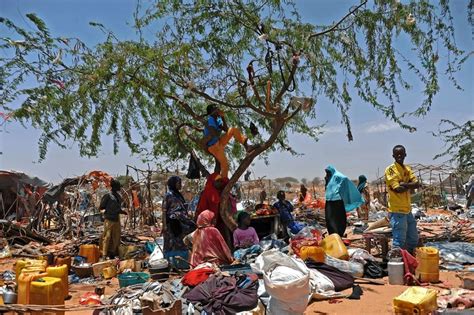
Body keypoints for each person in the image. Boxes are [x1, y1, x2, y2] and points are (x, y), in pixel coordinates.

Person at [202, 104, 258, 179]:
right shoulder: (211, 119)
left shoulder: (218, 119)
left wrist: (222, 117)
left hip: (219, 142)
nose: (218, 109)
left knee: (233, 130)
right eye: (216, 108)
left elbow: (226, 129)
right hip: (213, 147)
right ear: (212, 112)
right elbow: (214, 133)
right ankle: (223, 181)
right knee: (225, 165)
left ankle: (247, 146)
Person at [385, 145, 421, 255]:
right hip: (397, 210)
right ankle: (397, 263)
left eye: (401, 154)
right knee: (399, 240)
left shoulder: (407, 169)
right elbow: (398, 189)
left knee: (413, 238)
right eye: (397, 154)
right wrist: (409, 185)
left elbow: (417, 184)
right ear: (393, 156)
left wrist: (404, 184)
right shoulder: (390, 170)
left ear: (405, 154)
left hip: (407, 209)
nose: (399, 156)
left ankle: (409, 260)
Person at [163, 176, 196, 269]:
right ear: (173, 184)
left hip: (181, 222)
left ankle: (182, 264)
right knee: (170, 244)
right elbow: (164, 211)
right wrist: (164, 226)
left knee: (182, 242)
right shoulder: (168, 195)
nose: (180, 185)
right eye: (178, 183)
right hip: (172, 223)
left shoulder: (178, 195)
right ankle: (170, 265)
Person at [325, 165, 364, 237]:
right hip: (329, 202)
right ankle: (333, 235)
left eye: (328, 172)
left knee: (339, 219)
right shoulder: (328, 178)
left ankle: (339, 234)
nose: (327, 174)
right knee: (329, 219)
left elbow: (344, 179)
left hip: (337, 202)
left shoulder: (338, 176)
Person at [99, 179, 128, 258]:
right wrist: (108, 211)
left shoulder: (118, 196)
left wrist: (122, 212)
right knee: (107, 237)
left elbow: (118, 208)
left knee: (116, 237)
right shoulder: (108, 196)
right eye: (118, 187)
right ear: (114, 187)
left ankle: (113, 253)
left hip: (116, 219)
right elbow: (102, 206)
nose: (119, 188)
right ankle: (104, 254)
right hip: (109, 219)